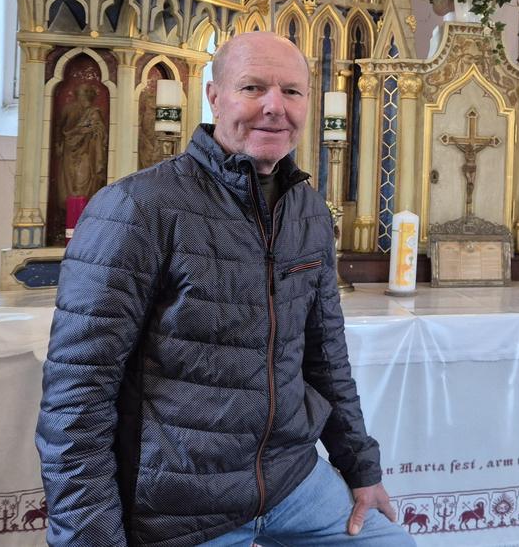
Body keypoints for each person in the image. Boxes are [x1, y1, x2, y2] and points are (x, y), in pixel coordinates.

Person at [36, 32, 415, 547]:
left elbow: (325, 359)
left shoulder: (307, 211)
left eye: (293, 92)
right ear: (214, 97)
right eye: (253, 87)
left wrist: (362, 469)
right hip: (179, 505)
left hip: (290, 482)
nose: (274, 108)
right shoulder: (137, 208)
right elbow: (76, 397)